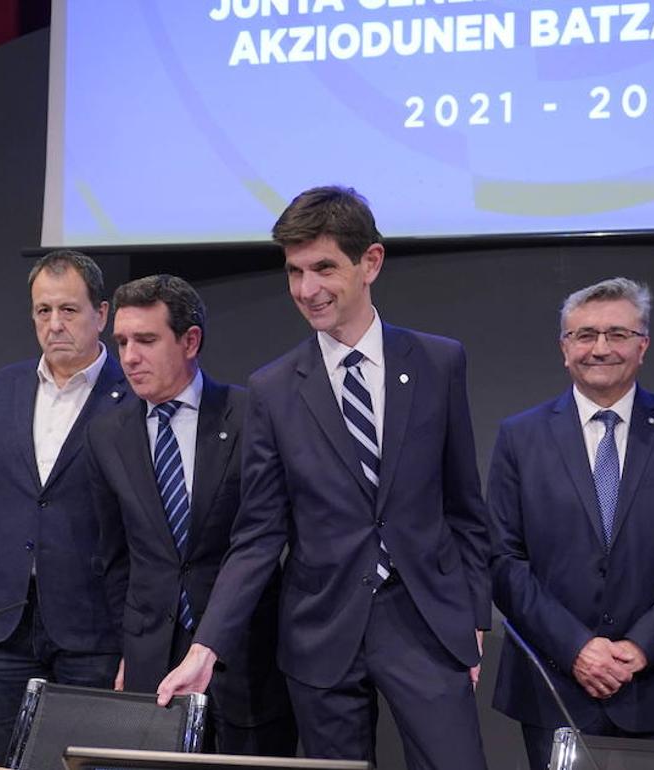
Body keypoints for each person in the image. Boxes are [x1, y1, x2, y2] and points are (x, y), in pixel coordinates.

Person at [157, 186, 490, 770]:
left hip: (425, 622)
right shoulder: (274, 388)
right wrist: (206, 647)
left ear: (371, 263)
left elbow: (464, 504)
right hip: (321, 632)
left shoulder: (439, 362)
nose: (307, 290)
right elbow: (258, 535)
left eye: (324, 268)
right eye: (294, 271)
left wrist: (473, 616)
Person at [488, 277, 654, 770]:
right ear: (564, 349)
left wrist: (640, 648)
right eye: (584, 335)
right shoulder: (520, 437)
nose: (600, 348)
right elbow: (501, 559)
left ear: (642, 345)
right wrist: (577, 648)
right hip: (554, 690)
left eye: (617, 334)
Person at [86, 275, 297, 755]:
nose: (129, 357)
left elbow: (269, 537)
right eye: (121, 342)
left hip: (246, 658)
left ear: (190, 340)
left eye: (145, 340)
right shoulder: (105, 434)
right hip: (151, 665)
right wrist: (131, 644)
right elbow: (115, 556)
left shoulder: (250, 415)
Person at [0, 250, 125, 765]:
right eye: (44, 310)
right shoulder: (0, 389)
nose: (55, 324)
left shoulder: (130, 393)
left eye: (69, 309)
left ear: (100, 315)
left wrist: (139, 640)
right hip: (2, 624)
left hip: (93, 629)